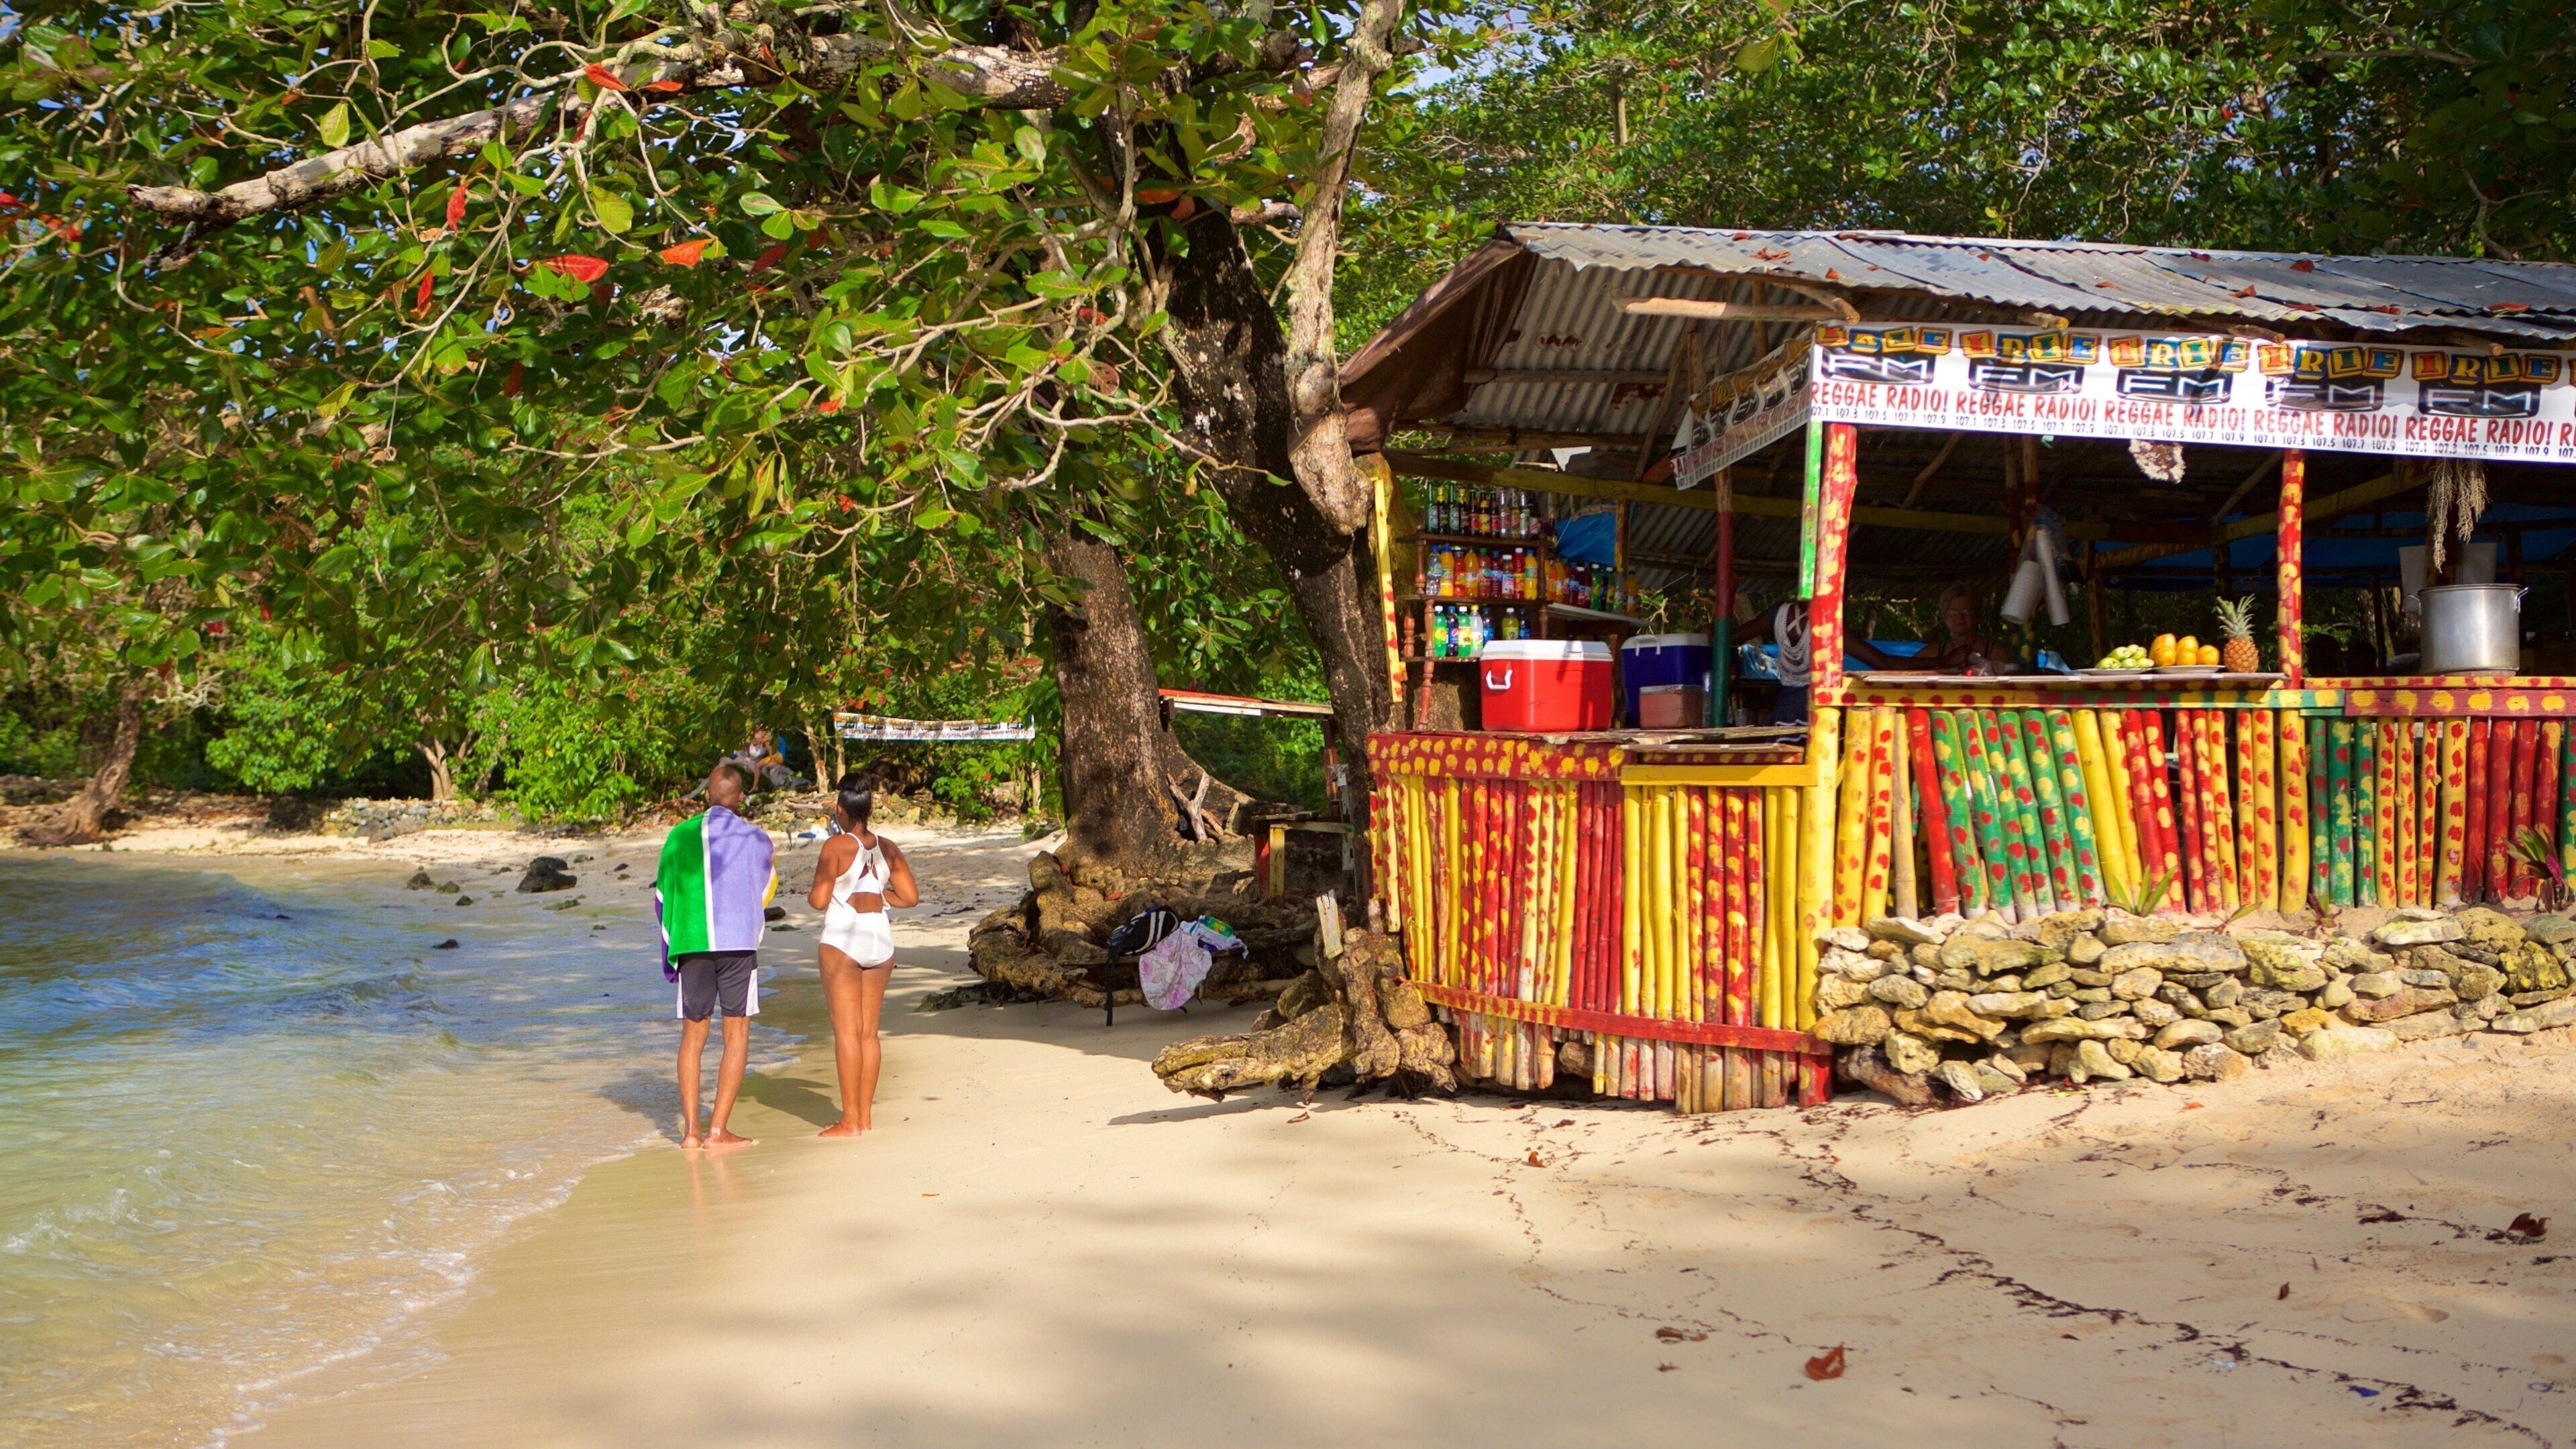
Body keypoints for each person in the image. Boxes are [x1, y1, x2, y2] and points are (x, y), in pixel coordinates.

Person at [654, 763, 777, 1148]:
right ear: (741, 798)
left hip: (692, 940)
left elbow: (662, 895)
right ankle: (718, 1131)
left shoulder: (678, 836)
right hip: (738, 942)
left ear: (707, 794)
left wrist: (672, 944)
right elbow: (766, 890)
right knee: (736, 1032)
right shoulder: (757, 839)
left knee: (693, 1034)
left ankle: (691, 1132)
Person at [807, 771, 919, 1137]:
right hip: (880, 940)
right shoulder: (888, 847)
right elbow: (911, 898)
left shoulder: (834, 847)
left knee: (846, 1034)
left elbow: (820, 901)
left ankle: (849, 1121)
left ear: (841, 810)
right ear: (869, 808)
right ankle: (864, 1118)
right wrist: (881, 897)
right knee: (869, 1034)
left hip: (844, 939)